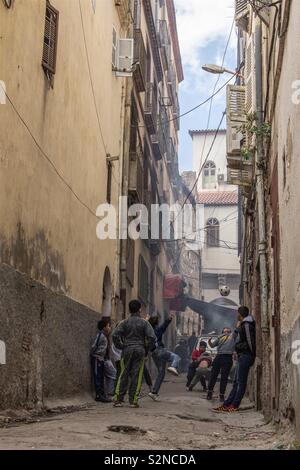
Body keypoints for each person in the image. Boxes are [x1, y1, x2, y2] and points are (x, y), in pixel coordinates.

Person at [112, 300, 156, 408]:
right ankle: (133, 401)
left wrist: (121, 345)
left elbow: (115, 335)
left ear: (129, 309)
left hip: (127, 349)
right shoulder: (145, 323)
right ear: (140, 309)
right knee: (137, 375)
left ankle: (118, 400)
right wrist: (146, 348)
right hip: (140, 349)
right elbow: (152, 337)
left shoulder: (124, 322)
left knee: (123, 374)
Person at [213, 306, 256, 413]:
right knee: (236, 382)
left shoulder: (246, 325)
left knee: (240, 383)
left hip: (246, 355)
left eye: (237, 313)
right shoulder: (242, 325)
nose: (236, 315)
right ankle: (227, 405)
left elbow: (250, 341)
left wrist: (251, 354)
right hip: (242, 355)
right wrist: (237, 329)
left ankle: (234, 405)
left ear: (240, 314)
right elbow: (234, 338)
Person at [148, 313, 180, 401]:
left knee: (161, 373)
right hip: (160, 350)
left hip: (153, 353)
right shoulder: (157, 330)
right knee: (176, 357)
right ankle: (173, 367)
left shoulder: (147, 331)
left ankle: (154, 392)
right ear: (156, 323)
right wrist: (169, 319)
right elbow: (164, 326)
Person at [206, 327, 237, 402]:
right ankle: (209, 393)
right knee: (213, 375)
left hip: (228, 357)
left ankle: (222, 395)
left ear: (230, 331)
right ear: (222, 332)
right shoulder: (219, 337)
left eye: (228, 330)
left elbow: (236, 329)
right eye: (225, 330)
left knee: (224, 377)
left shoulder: (232, 336)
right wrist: (209, 341)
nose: (226, 331)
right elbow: (212, 346)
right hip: (219, 356)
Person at [90, 319, 113, 403]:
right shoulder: (100, 335)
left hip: (101, 359)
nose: (109, 327)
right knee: (97, 377)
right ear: (104, 327)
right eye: (108, 326)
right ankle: (98, 395)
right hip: (97, 358)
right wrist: (94, 354)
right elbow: (94, 345)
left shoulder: (104, 336)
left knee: (101, 376)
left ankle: (102, 394)